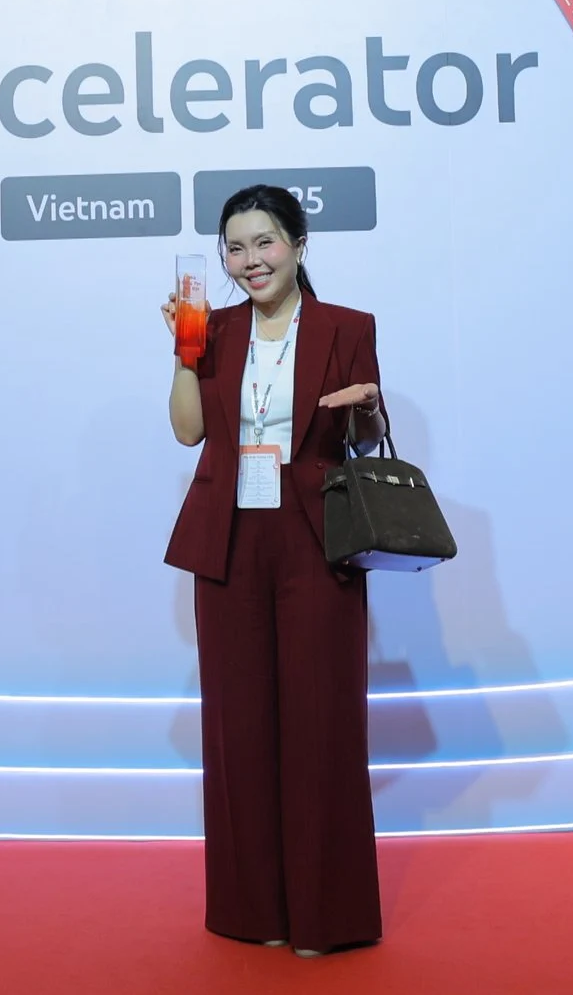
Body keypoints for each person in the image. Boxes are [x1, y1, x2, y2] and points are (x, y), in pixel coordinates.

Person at [160, 184, 384, 956]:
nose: (250, 260)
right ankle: (252, 912)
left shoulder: (347, 326)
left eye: (265, 242)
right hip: (227, 538)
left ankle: (325, 917)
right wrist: (184, 354)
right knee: (239, 728)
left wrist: (366, 407)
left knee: (322, 723)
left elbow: (364, 437)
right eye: (235, 247)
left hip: (315, 533)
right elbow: (189, 431)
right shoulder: (212, 329)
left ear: (298, 244)